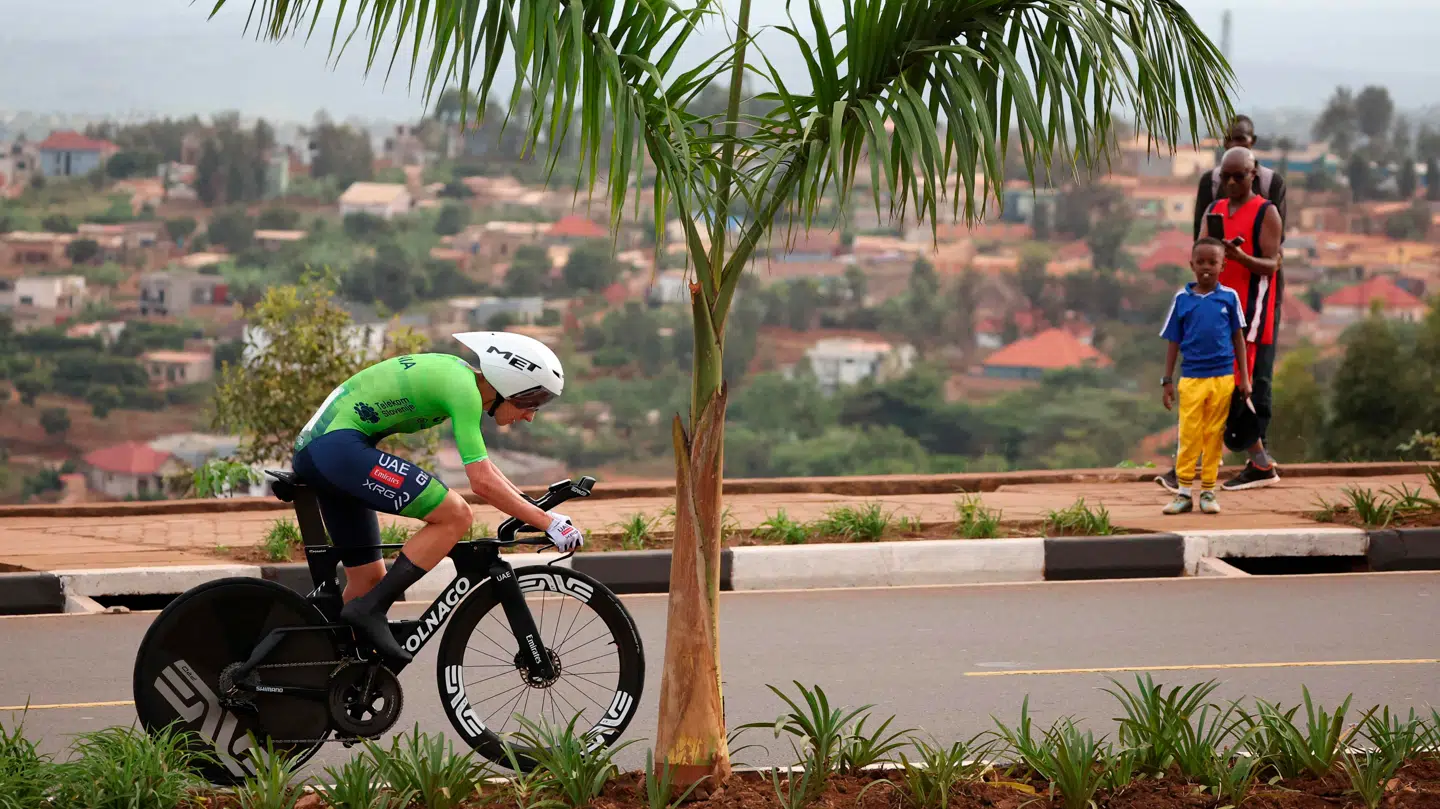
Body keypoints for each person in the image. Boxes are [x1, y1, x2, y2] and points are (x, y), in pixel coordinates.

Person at [289, 331, 586, 662]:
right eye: (531, 403)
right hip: (336, 449)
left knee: (369, 580)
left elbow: (487, 468)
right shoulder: (463, 390)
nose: (531, 415)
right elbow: (482, 482)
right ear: (507, 385)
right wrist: (549, 523)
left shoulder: (462, 380)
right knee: (455, 515)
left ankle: (328, 670)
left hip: (325, 451)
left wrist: (531, 510)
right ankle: (370, 611)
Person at [1159, 116, 1288, 493]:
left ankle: (1212, 465)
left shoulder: (1267, 211)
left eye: (1239, 177)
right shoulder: (1214, 208)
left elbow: (1272, 263)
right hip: (1213, 306)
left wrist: (1239, 257)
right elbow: (1201, 249)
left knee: (1228, 388)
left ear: (1253, 173)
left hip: (1247, 313)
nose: (1232, 183)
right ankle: (1258, 464)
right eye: (1226, 177)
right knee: (1217, 387)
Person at [1159, 238, 1252, 514]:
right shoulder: (1182, 300)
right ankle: (1184, 492)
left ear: (1223, 265)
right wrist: (1167, 381)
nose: (1206, 268)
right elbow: (1173, 341)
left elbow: (1239, 339)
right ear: (1192, 265)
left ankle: (1209, 491)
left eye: (1212, 262)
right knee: (1189, 435)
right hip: (1191, 379)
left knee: (1213, 435)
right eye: (1201, 262)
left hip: (1222, 378)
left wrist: (1244, 379)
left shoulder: (1229, 297)